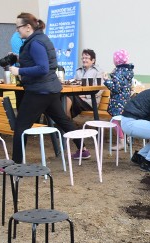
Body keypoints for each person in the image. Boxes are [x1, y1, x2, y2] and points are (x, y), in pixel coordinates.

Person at [8, 12, 88, 164]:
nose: (17, 30)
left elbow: (43, 67)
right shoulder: (40, 39)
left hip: (39, 91)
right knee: (63, 120)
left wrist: (19, 71)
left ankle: (15, 164)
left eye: (18, 27)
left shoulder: (35, 43)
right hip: (49, 89)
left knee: (21, 126)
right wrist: (19, 58)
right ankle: (82, 149)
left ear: (27, 27)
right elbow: (39, 61)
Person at [104, 49, 134, 147]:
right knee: (123, 120)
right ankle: (127, 138)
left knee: (114, 120)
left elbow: (116, 88)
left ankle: (121, 141)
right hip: (125, 100)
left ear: (116, 60)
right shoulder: (128, 71)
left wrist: (106, 80)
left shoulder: (118, 72)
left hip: (117, 101)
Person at [67, 49, 103, 118]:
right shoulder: (79, 71)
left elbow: (99, 90)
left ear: (93, 60)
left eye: (86, 58)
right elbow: (74, 85)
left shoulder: (98, 72)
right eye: (83, 58)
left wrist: (84, 95)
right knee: (63, 97)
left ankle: (66, 122)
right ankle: (67, 121)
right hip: (77, 99)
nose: (84, 60)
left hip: (90, 102)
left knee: (68, 97)